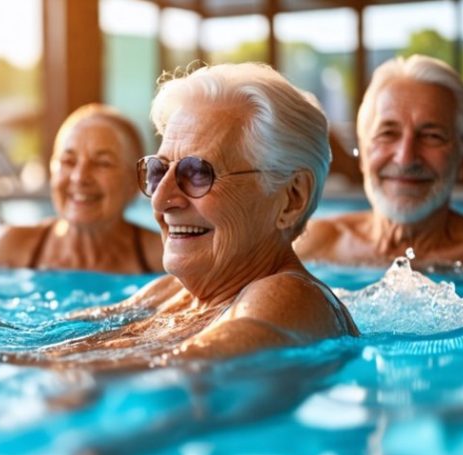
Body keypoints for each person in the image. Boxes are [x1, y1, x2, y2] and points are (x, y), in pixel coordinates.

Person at [34, 63, 357, 368]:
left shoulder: (290, 300)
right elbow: (34, 341)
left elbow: (168, 375)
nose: (161, 200)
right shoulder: (173, 292)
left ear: (291, 199)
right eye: (160, 171)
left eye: (198, 173)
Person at [294, 55, 463, 272]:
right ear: (362, 152)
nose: (406, 157)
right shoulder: (309, 246)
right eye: (388, 133)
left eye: (431, 136)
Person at [0, 104, 163, 274]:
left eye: (102, 163)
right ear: (52, 170)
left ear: (135, 180)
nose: (79, 177)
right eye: (68, 161)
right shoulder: (12, 247)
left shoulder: (161, 256)